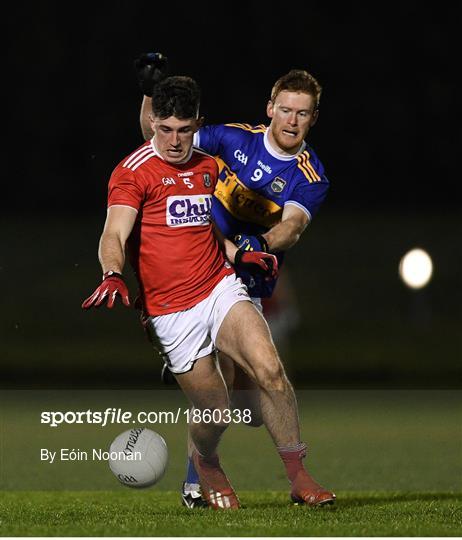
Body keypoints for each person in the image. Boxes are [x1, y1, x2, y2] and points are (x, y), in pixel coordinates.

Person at [86, 72, 335, 509]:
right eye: (166, 130)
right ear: (270, 107)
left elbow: (283, 226)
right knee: (219, 411)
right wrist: (111, 272)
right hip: (170, 308)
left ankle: (299, 479)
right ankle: (202, 467)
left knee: (269, 369)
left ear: (314, 118)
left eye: (303, 112)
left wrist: (240, 253)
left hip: (224, 282)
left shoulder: (209, 164)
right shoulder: (135, 171)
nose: (176, 140)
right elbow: (114, 233)